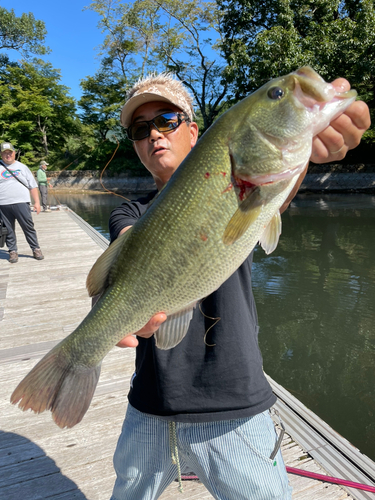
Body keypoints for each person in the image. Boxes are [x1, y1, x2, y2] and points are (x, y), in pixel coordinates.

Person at [108, 74, 370, 500]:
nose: (154, 134)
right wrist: (121, 313)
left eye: (167, 120)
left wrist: (304, 143)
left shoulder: (245, 189)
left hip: (235, 408)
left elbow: (266, 192)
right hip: (150, 406)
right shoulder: (128, 212)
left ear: (194, 130)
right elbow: (127, 244)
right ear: (136, 145)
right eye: (141, 129)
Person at [0, 142, 44, 263]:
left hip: (21, 202)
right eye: (5, 153)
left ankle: (36, 248)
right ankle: (12, 251)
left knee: (28, 226)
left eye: (10, 153)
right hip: (3, 204)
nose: (8, 155)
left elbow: (33, 186)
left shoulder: (22, 167)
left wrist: (37, 203)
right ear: (1, 154)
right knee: (8, 229)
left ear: (14, 153)